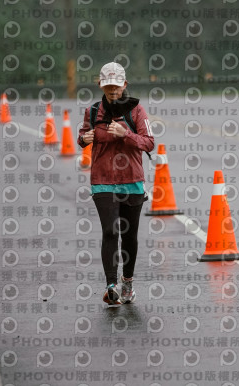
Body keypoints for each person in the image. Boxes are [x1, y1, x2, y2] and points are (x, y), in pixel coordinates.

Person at [78, 62, 154, 305]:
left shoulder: (137, 111)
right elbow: (83, 135)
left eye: (116, 86)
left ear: (124, 85)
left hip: (132, 180)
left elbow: (149, 142)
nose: (112, 91)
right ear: (101, 85)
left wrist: (126, 135)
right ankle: (111, 286)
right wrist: (83, 138)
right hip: (102, 181)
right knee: (110, 230)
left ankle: (127, 282)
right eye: (108, 86)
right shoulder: (92, 112)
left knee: (129, 235)